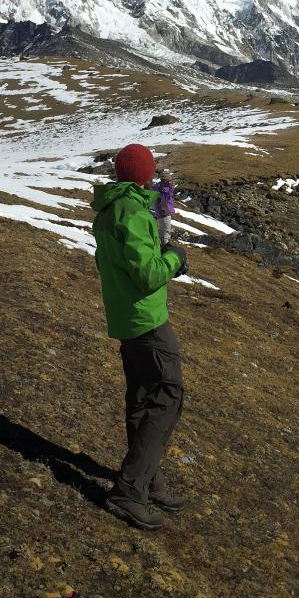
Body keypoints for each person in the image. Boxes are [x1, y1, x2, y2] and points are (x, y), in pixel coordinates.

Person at [90, 143, 189, 529]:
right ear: (145, 175)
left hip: (126, 318)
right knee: (167, 395)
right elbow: (148, 275)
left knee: (143, 397)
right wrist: (175, 259)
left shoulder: (112, 208)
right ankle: (130, 491)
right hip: (146, 319)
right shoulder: (131, 212)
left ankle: (147, 479)